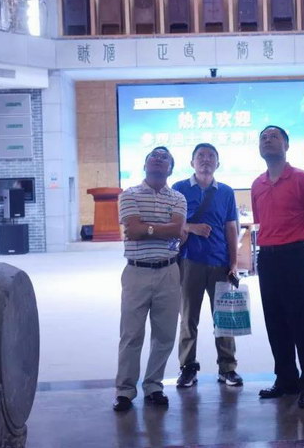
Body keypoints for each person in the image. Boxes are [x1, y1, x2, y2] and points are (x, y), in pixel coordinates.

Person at [251, 125, 304, 409]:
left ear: (286, 145)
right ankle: (286, 380)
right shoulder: (257, 184)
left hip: (294, 256)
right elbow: (260, 222)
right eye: (263, 137)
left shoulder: (302, 179)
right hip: (267, 258)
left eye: (274, 137)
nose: (267, 140)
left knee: (301, 321)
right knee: (275, 320)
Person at [112, 146, 187, 412]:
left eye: (164, 157)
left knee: (165, 334)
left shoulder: (178, 197)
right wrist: (163, 229)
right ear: (145, 165)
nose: (158, 159)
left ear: (170, 168)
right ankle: (125, 390)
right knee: (131, 334)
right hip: (136, 272)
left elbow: (177, 230)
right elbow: (132, 230)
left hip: (169, 271)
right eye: (153, 156)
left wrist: (148, 228)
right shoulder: (129, 194)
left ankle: (154, 386)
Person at [171, 143, 243, 388]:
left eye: (211, 156)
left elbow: (231, 228)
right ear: (191, 162)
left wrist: (234, 262)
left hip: (220, 263)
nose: (205, 160)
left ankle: (228, 368)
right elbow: (171, 223)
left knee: (224, 318)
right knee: (188, 318)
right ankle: (187, 368)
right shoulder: (179, 188)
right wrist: (191, 228)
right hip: (189, 261)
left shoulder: (226, 192)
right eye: (200, 156)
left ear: (217, 164)